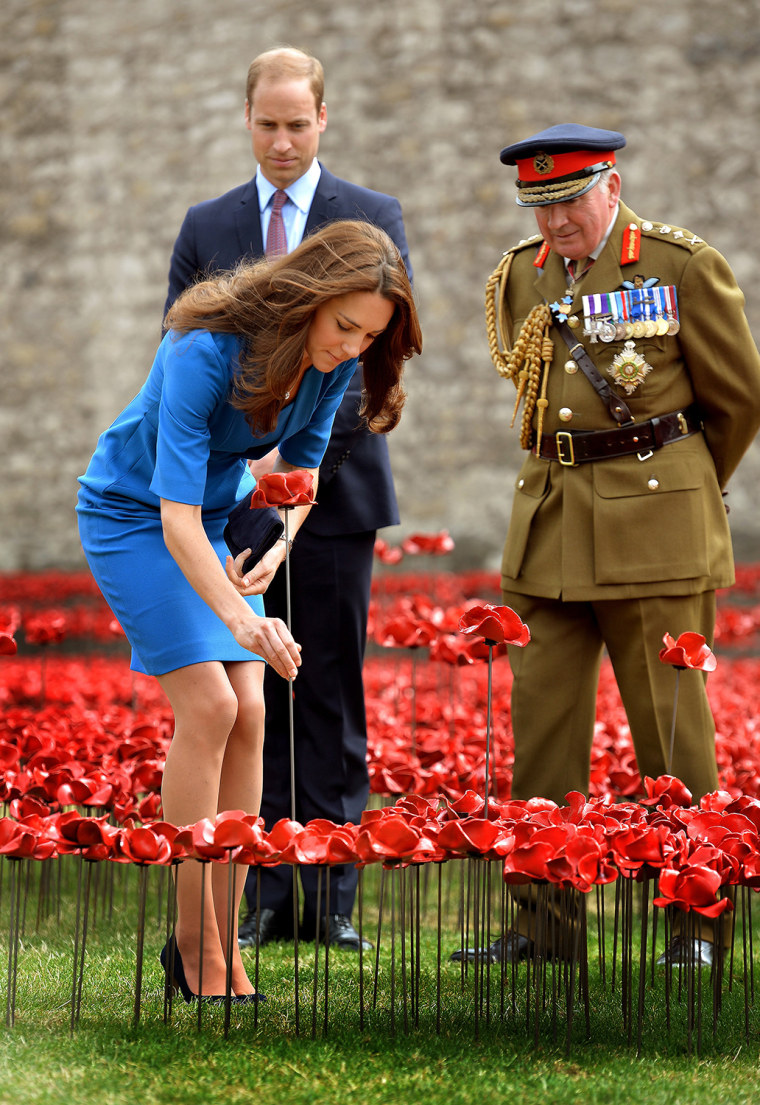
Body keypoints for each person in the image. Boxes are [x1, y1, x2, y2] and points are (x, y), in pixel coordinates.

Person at [77, 220, 421, 1000]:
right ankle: (194, 943)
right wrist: (241, 616)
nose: (351, 347)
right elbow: (172, 517)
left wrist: (278, 546)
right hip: (136, 516)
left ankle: (219, 946)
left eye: (369, 335)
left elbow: (298, 476)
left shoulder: (333, 365)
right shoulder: (205, 349)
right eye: (344, 326)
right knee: (209, 703)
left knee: (254, 714)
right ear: (309, 295)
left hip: (224, 515)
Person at [477, 124, 760, 967]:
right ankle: (543, 925)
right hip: (553, 525)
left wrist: (682, 486)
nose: (557, 222)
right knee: (543, 732)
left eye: (568, 201)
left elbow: (739, 400)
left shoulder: (677, 266)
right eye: (540, 206)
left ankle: (697, 928)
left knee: (673, 738)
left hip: (657, 530)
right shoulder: (521, 277)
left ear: (611, 183)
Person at [164, 46, 413, 953]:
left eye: (297, 124)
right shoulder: (208, 223)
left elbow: (363, 364)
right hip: (229, 504)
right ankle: (263, 885)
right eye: (266, 123)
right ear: (247, 119)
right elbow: (181, 347)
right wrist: (248, 490)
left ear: (322, 121)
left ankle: (334, 888)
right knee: (251, 687)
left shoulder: (373, 217)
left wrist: (292, 478)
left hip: (336, 494)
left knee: (332, 685)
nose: (280, 139)